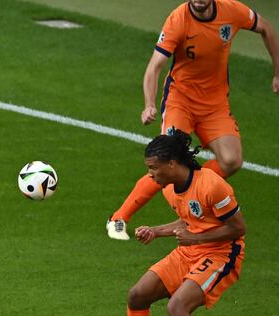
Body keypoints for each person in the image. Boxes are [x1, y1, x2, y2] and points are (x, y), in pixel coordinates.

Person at [107, 0, 278, 240]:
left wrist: (277, 72)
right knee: (166, 160)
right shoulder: (178, 19)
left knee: (232, 160)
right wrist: (149, 104)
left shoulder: (233, 11)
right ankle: (118, 218)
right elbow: (155, 66)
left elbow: (267, 28)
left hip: (215, 105)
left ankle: (191, 185)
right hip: (181, 102)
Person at [105, 131, 245, 316]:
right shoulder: (169, 188)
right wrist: (157, 231)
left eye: (153, 168)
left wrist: (194, 238)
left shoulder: (213, 186)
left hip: (220, 254)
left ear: (171, 164)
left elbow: (237, 229)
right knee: (138, 295)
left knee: (177, 307)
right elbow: (190, 220)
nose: (150, 175)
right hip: (190, 251)